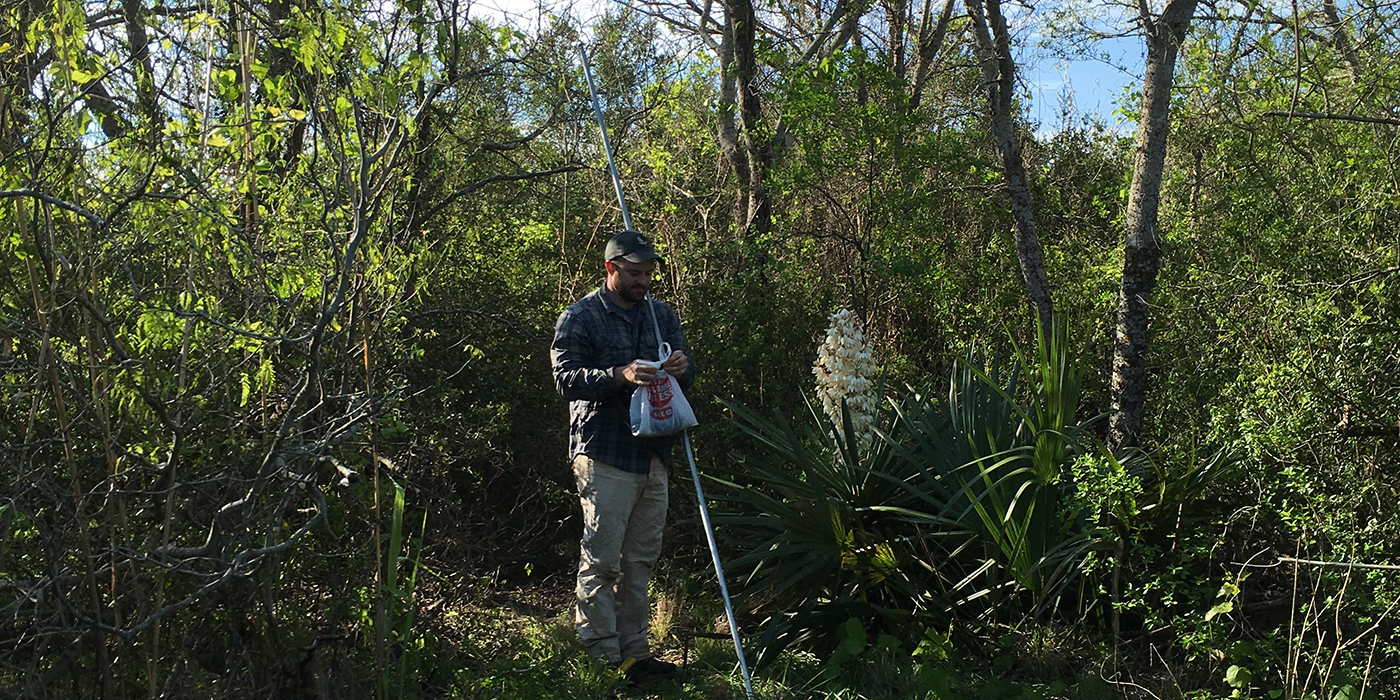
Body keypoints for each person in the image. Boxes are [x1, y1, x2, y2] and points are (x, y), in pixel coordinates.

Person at [551, 229, 695, 680]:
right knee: (603, 558)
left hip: (655, 455)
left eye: (650, 273)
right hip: (604, 453)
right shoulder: (580, 317)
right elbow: (565, 379)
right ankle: (601, 656)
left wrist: (681, 367)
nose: (644, 281)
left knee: (640, 560)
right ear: (611, 269)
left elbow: (687, 374)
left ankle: (636, 653)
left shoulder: (660, 316)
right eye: (635, 273)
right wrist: (619, 374)